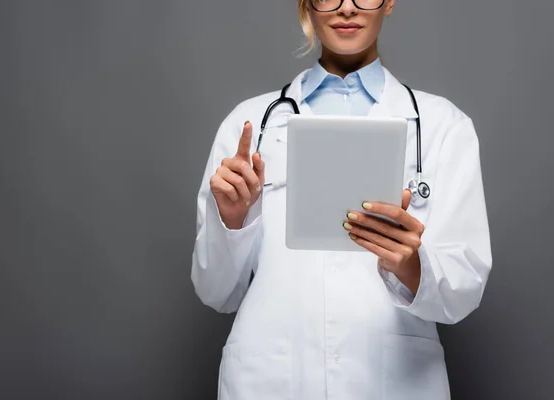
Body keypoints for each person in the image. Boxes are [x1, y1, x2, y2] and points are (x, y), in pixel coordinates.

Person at [191, 0, 492, 398]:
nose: (346, 8)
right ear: (306, 5)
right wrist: (231, 221)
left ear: (388, 3)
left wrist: (411, 266)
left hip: (390, 380)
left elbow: (465, 287)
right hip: (272, 378)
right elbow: (215, 292)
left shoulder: (443, 127)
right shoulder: (250, 124)